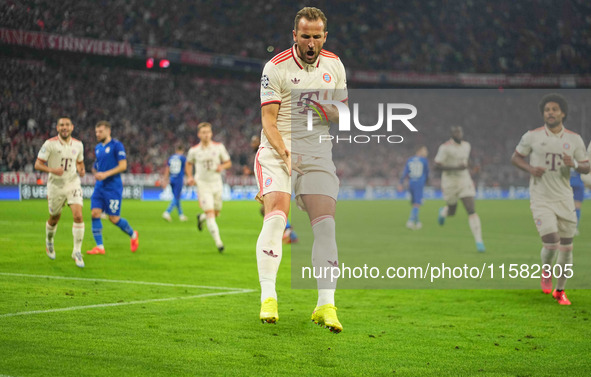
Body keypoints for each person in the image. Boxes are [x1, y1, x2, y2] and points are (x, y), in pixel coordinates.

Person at [255, 7, 347, 333]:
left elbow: (343, 114)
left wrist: (328, 107)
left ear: (325, 36)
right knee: (277, 215)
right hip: (278, 151)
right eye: (305, 36)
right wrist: (285, 153)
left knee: (326, 227)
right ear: (295, 36)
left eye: (316, 36)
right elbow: (268, 122)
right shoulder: (275, 67)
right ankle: (269, 297)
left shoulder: (334, 65)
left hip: (318, 155)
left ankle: (326, 305)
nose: (311, 43)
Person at [512, 94, 589, 305]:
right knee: (551, 242)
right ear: (543, 113)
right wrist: (530, 168)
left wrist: (573, 163)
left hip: (564, 198)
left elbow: (586, 166)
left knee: (567, 246)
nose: (550, 113)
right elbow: (516, 157)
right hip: (541, 198)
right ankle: (546, 270)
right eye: (547, 110)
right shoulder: (532, 136)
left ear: (563, 113)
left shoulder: (574, 139)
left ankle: (560, 291)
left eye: (555, 109)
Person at [34, 117, 85, 268]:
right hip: (55, 186)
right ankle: (49, 241)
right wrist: (52, 170)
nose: (64, 127)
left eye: (67, 125)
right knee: (54, 218)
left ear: (72, 127)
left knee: (78, 215)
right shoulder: (49, 144)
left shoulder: (78, 144)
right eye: (61, 125)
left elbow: (80, 162)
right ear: (57, 128)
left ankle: (76, 251)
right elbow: (38, 164)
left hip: (73, 183)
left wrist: (82, 170)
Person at [87, 121, 139, 255]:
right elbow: (96, 166)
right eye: (96, 132)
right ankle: (100, 247)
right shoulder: (98, 148)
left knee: (114, 218)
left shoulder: (117, 145)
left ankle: (133, 235)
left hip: (113, 187)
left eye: (100, 131)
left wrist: (105, 174)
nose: (97, 134)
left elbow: (123, 166)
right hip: (100, 186)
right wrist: (96, 173)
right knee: (95, 213)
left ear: (108, 131)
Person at [435, 126, 485, 252]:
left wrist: (473, 167)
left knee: (471, 209)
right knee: (452, 211)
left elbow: (465, 161)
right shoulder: (445, 148)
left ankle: (479, 242)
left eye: (460, 132)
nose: (458, 134)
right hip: (449, 182)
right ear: (451, 134)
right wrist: (456, 168)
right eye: (456, 132)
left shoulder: (466, 146)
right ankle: (444, 212)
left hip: (464, 180)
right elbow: (437, 166)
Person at [186, 122, 232, 252]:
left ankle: (201, 218)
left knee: (216, 213)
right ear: (199, 134)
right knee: (211, 214)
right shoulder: (194, 150)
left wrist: (222, 167)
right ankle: (219, 243)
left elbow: (228, 162)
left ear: (211, 134)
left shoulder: (218, 147)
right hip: (202, 184)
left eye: (208, 132)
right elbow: (188, 164)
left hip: (216, 184)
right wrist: (190, 176)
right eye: (203, 132)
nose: (206, 135)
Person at [398, 146, 429, 230]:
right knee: (417, 204)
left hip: (411, 183)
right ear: (419, 151)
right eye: (425, 151)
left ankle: (417, 222)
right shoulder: (424, 161)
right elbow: (426, 174)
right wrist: (426, 183)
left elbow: (405, 172)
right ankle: (410, 221)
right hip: (419, 183)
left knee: (414, 203)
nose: (426, 153)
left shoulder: (410, 159)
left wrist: (400, 183)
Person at [162, 145, 188, 222]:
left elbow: (167, 169)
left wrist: (165, 179)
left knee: (177, 197)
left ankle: (181, 215)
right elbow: (186, 168)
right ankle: (167, 212)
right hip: (178, 179)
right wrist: (187, 177)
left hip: (172, 178)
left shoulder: (171, 157)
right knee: (177, 197)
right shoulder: (183, 158)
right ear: (182, 151)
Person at [569, 170, 584, 235]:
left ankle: (574, 228)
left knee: (576, 207)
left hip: (576, 185)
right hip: (567, 184)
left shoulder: (578, 160)